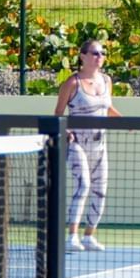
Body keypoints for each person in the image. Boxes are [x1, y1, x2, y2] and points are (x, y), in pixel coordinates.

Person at [53, 39, 122, 252]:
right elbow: (58, 114)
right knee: (82, 186)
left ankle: (88, 236)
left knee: (100, 190)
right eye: (94, 53)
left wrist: (126, 122)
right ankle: (72, 235)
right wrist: (66, 131)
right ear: (82, 56)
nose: (99, 57)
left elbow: (108, 107)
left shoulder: (106, 81)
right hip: (77, 144)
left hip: (99, 145)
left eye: (102, 53)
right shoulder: (72, 83)